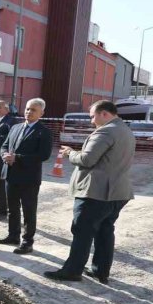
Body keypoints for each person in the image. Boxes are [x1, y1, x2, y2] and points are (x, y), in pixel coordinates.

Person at [46, 100, 135, 283]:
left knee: (83, 231)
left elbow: (87, 160)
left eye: (93, 116)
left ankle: (72, 270)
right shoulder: (124, 130)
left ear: (104, 114)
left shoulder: (106, 131)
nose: (91, 121)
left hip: (97, 192)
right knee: (105, 231)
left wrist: (70, 153)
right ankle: (100, 271)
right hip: (118, 192)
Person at [0, 98, 53, 255]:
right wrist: (5, 155)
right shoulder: (16, 127)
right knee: (12, 209)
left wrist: (18, 157)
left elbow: (43, 155)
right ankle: (13, 235)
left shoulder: (44, 131)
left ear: (41, 113)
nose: (29, 112)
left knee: (28, 211)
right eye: (27, 109)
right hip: (11, 174)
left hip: (29, 178)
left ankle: (27, 242)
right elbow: (5, 145)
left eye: (33, 110)